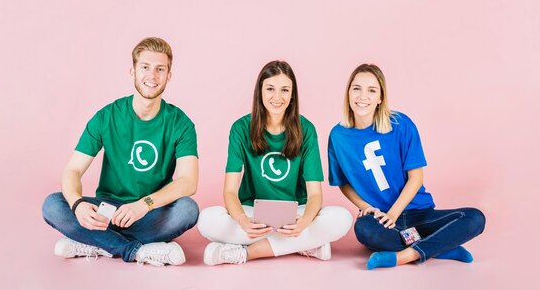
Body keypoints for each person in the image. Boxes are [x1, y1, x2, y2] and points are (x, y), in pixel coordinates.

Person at [42, 37, 199, 267]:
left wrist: (143, 204)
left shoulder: (181, 123)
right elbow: (73, 170)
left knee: (187, 209)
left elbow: (188, 181)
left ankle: (96, 243)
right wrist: (78, 205)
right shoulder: (107, 116)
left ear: (169, 76)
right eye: (145, 67)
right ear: (132, 71)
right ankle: (135, 250)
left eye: (160, 69)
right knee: (53, 205)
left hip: (150, 210)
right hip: (106, 210)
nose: (152, 76)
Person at [328, 64, 486, 270]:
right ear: (348, 93)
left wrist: (393, 215)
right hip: (381, 221)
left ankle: (404, 256)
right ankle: (440, 247)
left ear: (380, 98)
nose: (362, 96)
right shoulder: (338, 136)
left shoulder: (401, 124)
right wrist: (366, 207)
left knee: (474, 218)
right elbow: (343, 182)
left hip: (419, 214)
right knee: (363, 229)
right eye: (356, 88)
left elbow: (416, 178)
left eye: (372, 90)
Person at [197, 60, 352, 265]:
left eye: (285, 90)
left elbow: (315, 194)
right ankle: (305, 245)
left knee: (342, 218)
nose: (277, 97)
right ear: (260, 92)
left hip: (296, 213)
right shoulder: (241, 128)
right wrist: (243, 221)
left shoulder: (306, 130)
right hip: (253, 213)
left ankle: (246, 253)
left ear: (292, 95)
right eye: (270, 89)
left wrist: (304, 222)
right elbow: (230, 192)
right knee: (207, 219)